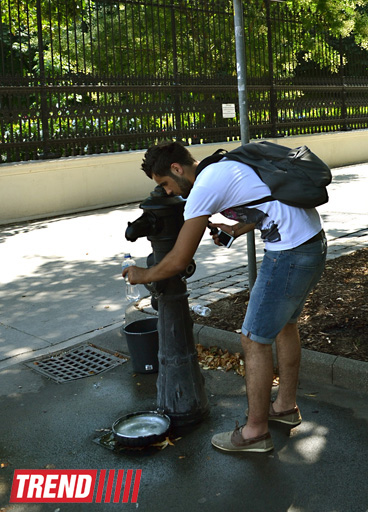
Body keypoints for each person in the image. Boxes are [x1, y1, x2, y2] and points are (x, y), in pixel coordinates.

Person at [122, 140, 327, 453]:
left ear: (177, 169)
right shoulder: (220, 168)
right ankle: (284, 407)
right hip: (311, 243)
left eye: (164, 183)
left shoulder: (204, 186)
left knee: (254, 340)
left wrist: (143, 274)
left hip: (289, 254)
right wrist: (234, 229)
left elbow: (178, 260)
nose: (166, 192)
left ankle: (255, 432)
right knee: (285, 325)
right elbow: (266, 203)